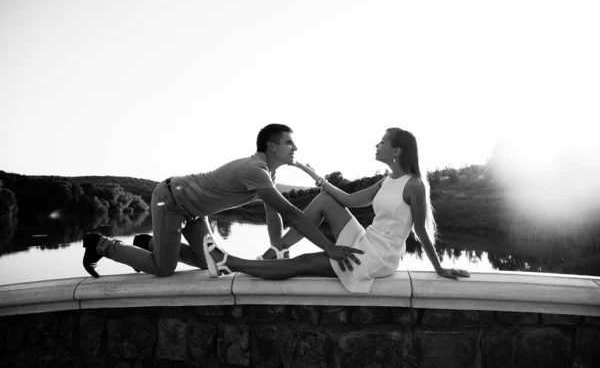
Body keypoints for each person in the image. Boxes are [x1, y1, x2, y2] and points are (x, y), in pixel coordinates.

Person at [203, 127, 470, 293]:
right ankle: (276, 251)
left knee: (303, 263)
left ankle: (230, 263)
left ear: (396, 150)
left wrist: (440, 268)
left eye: (383, 141)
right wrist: (313, 174)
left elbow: (421, 231)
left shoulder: (414, 185)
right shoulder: (386, 180)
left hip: (380, 257)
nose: (377, 145)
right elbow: (350, 200)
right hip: (367, 239)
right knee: (324, 200)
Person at [82, 124, 363, 278]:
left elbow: (273, 215)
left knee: (209, 263)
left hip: (192, 212)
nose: (296, 148)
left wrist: (277, 250)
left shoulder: (269, 173)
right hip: (171, 201)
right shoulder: (254, 171)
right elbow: (292, 214)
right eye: (289, 142)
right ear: (272, 146)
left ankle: (150, 243)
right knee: (163, 269)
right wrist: (331, 248)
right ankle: (100, 244)